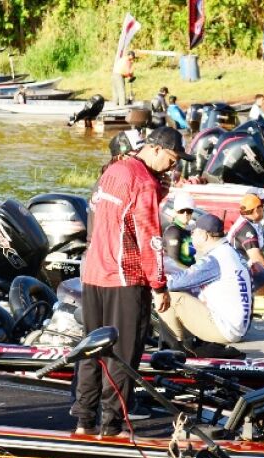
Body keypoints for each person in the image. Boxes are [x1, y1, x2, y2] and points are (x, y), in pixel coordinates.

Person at [73, 127, 194, 437]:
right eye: (171, 159)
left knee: (90, 352)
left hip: (93, 273)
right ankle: (112, 427)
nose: (174, 166)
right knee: (122, 355)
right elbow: (151, 239)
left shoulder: (114, 169)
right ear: (155, 150)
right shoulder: (142, 182)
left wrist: (162, 183)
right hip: (125, 278)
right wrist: (159, 285)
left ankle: (84, 422)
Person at [158, 214, 252, 355]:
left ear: (204, 235)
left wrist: (155, 281)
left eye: (193, 233)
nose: (191, 237)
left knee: (168, 295)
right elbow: (190, 279)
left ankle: (173, 352)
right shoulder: (228, 252)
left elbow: (173, 283)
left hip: (225, 330)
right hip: (236, 327)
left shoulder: (214, 259)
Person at [228, 193, 264, 271]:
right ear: (256, 210)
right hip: (245, 271)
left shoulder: (252, 222)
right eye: (262, 207)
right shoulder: (246, 229)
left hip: (253, 265)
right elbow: (257, 259)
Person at [164, 193, 197, 267]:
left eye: (189, 211)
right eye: (181, 211)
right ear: (175, 212)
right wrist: (192, 273)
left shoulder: (188, 230)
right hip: (180, 275)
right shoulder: (173, 231)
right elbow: (173, 261)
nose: (185, 214)